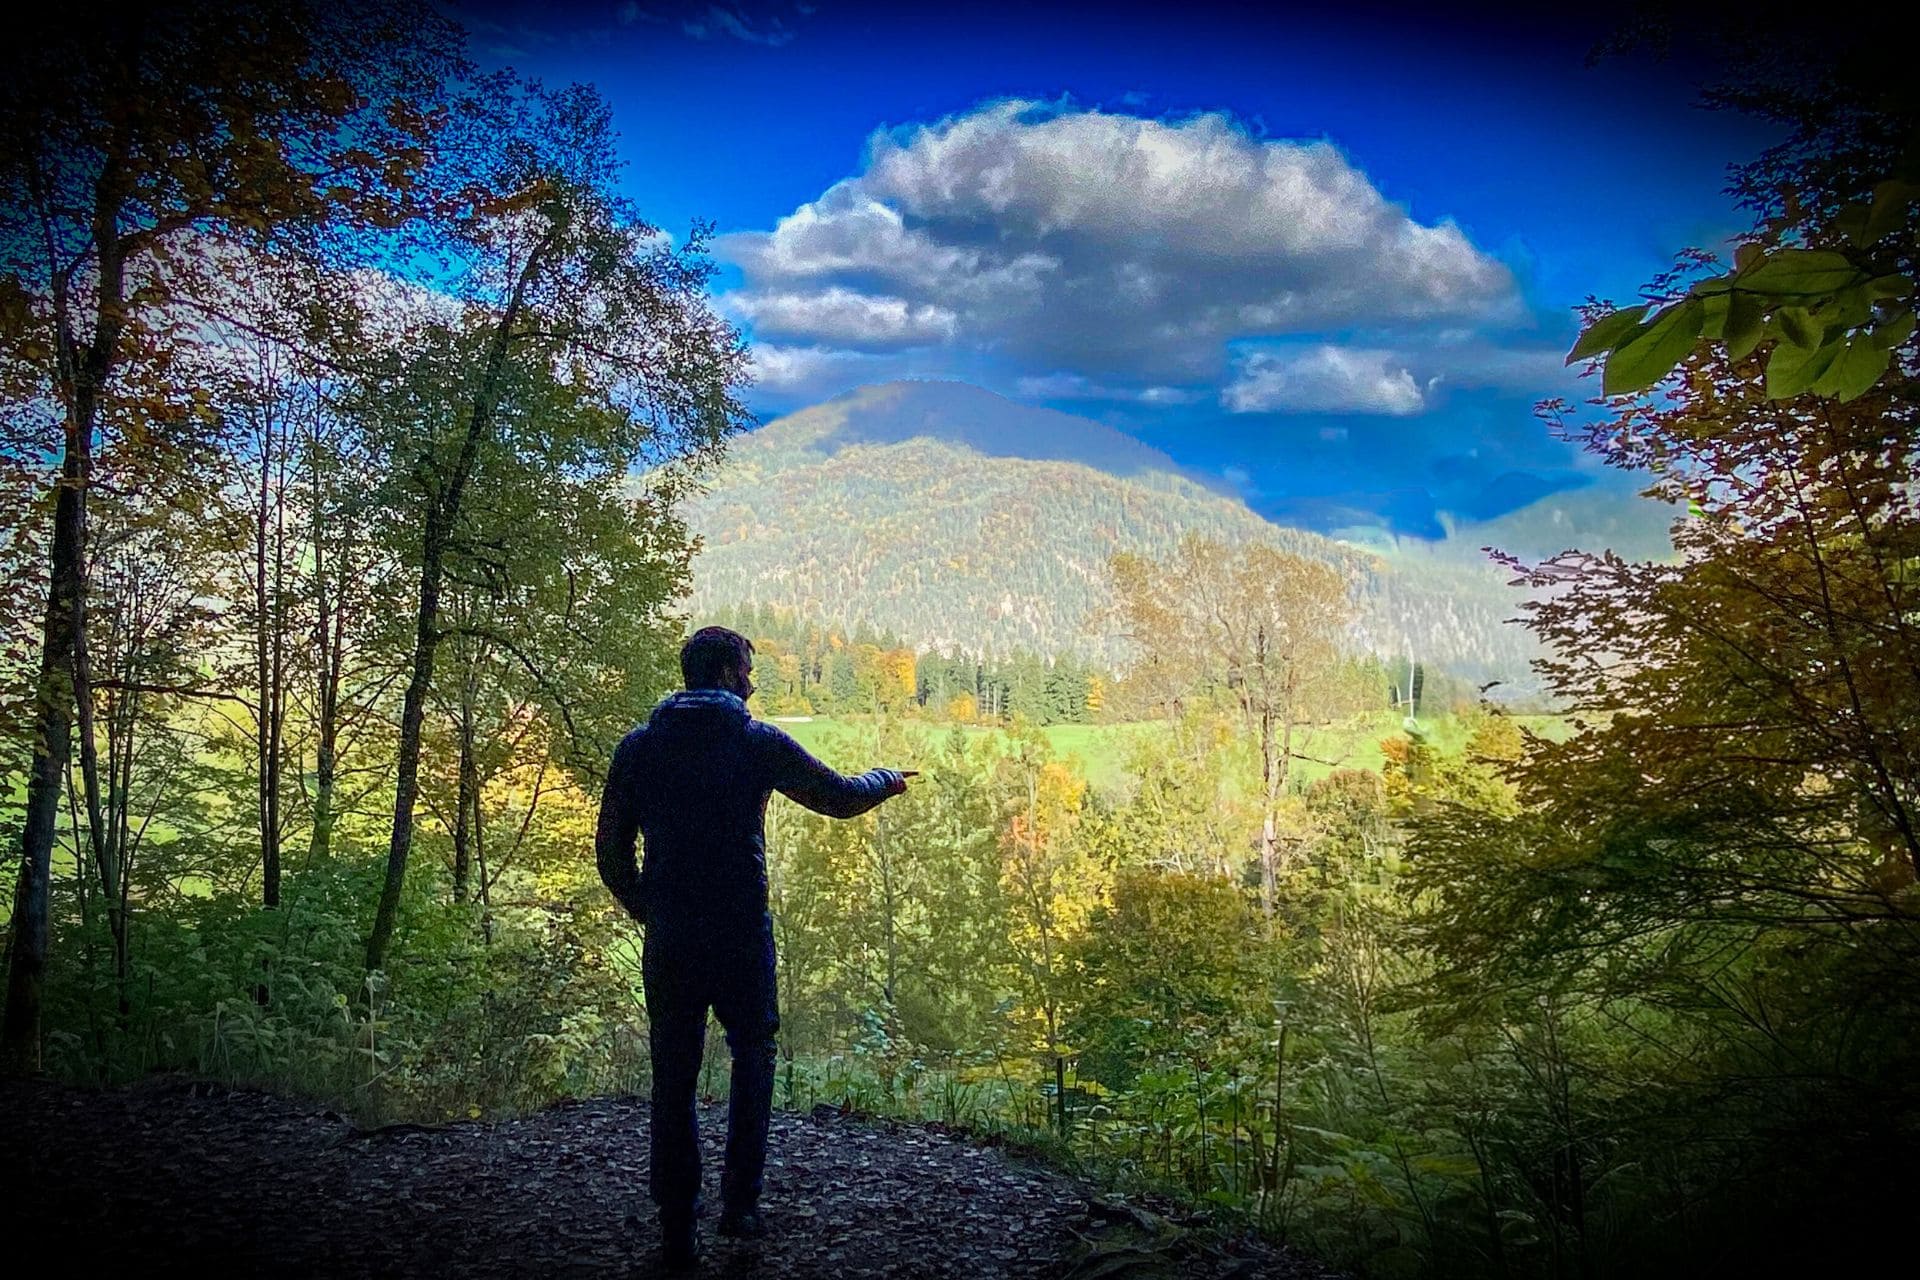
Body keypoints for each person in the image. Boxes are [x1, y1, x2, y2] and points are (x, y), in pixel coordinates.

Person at [596, 625, 912, 1270]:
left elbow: (611, 852)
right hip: (741, 929)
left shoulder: (640, 747)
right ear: (724, 674)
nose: (752, 681)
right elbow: (838, 796)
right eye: (746, 670)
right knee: (754, 1057)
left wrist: (649, 911)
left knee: (673, 1073)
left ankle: (677, 1225)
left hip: (672, 936)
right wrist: (886, 778)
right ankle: (740, 1206)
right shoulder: (755, 740)